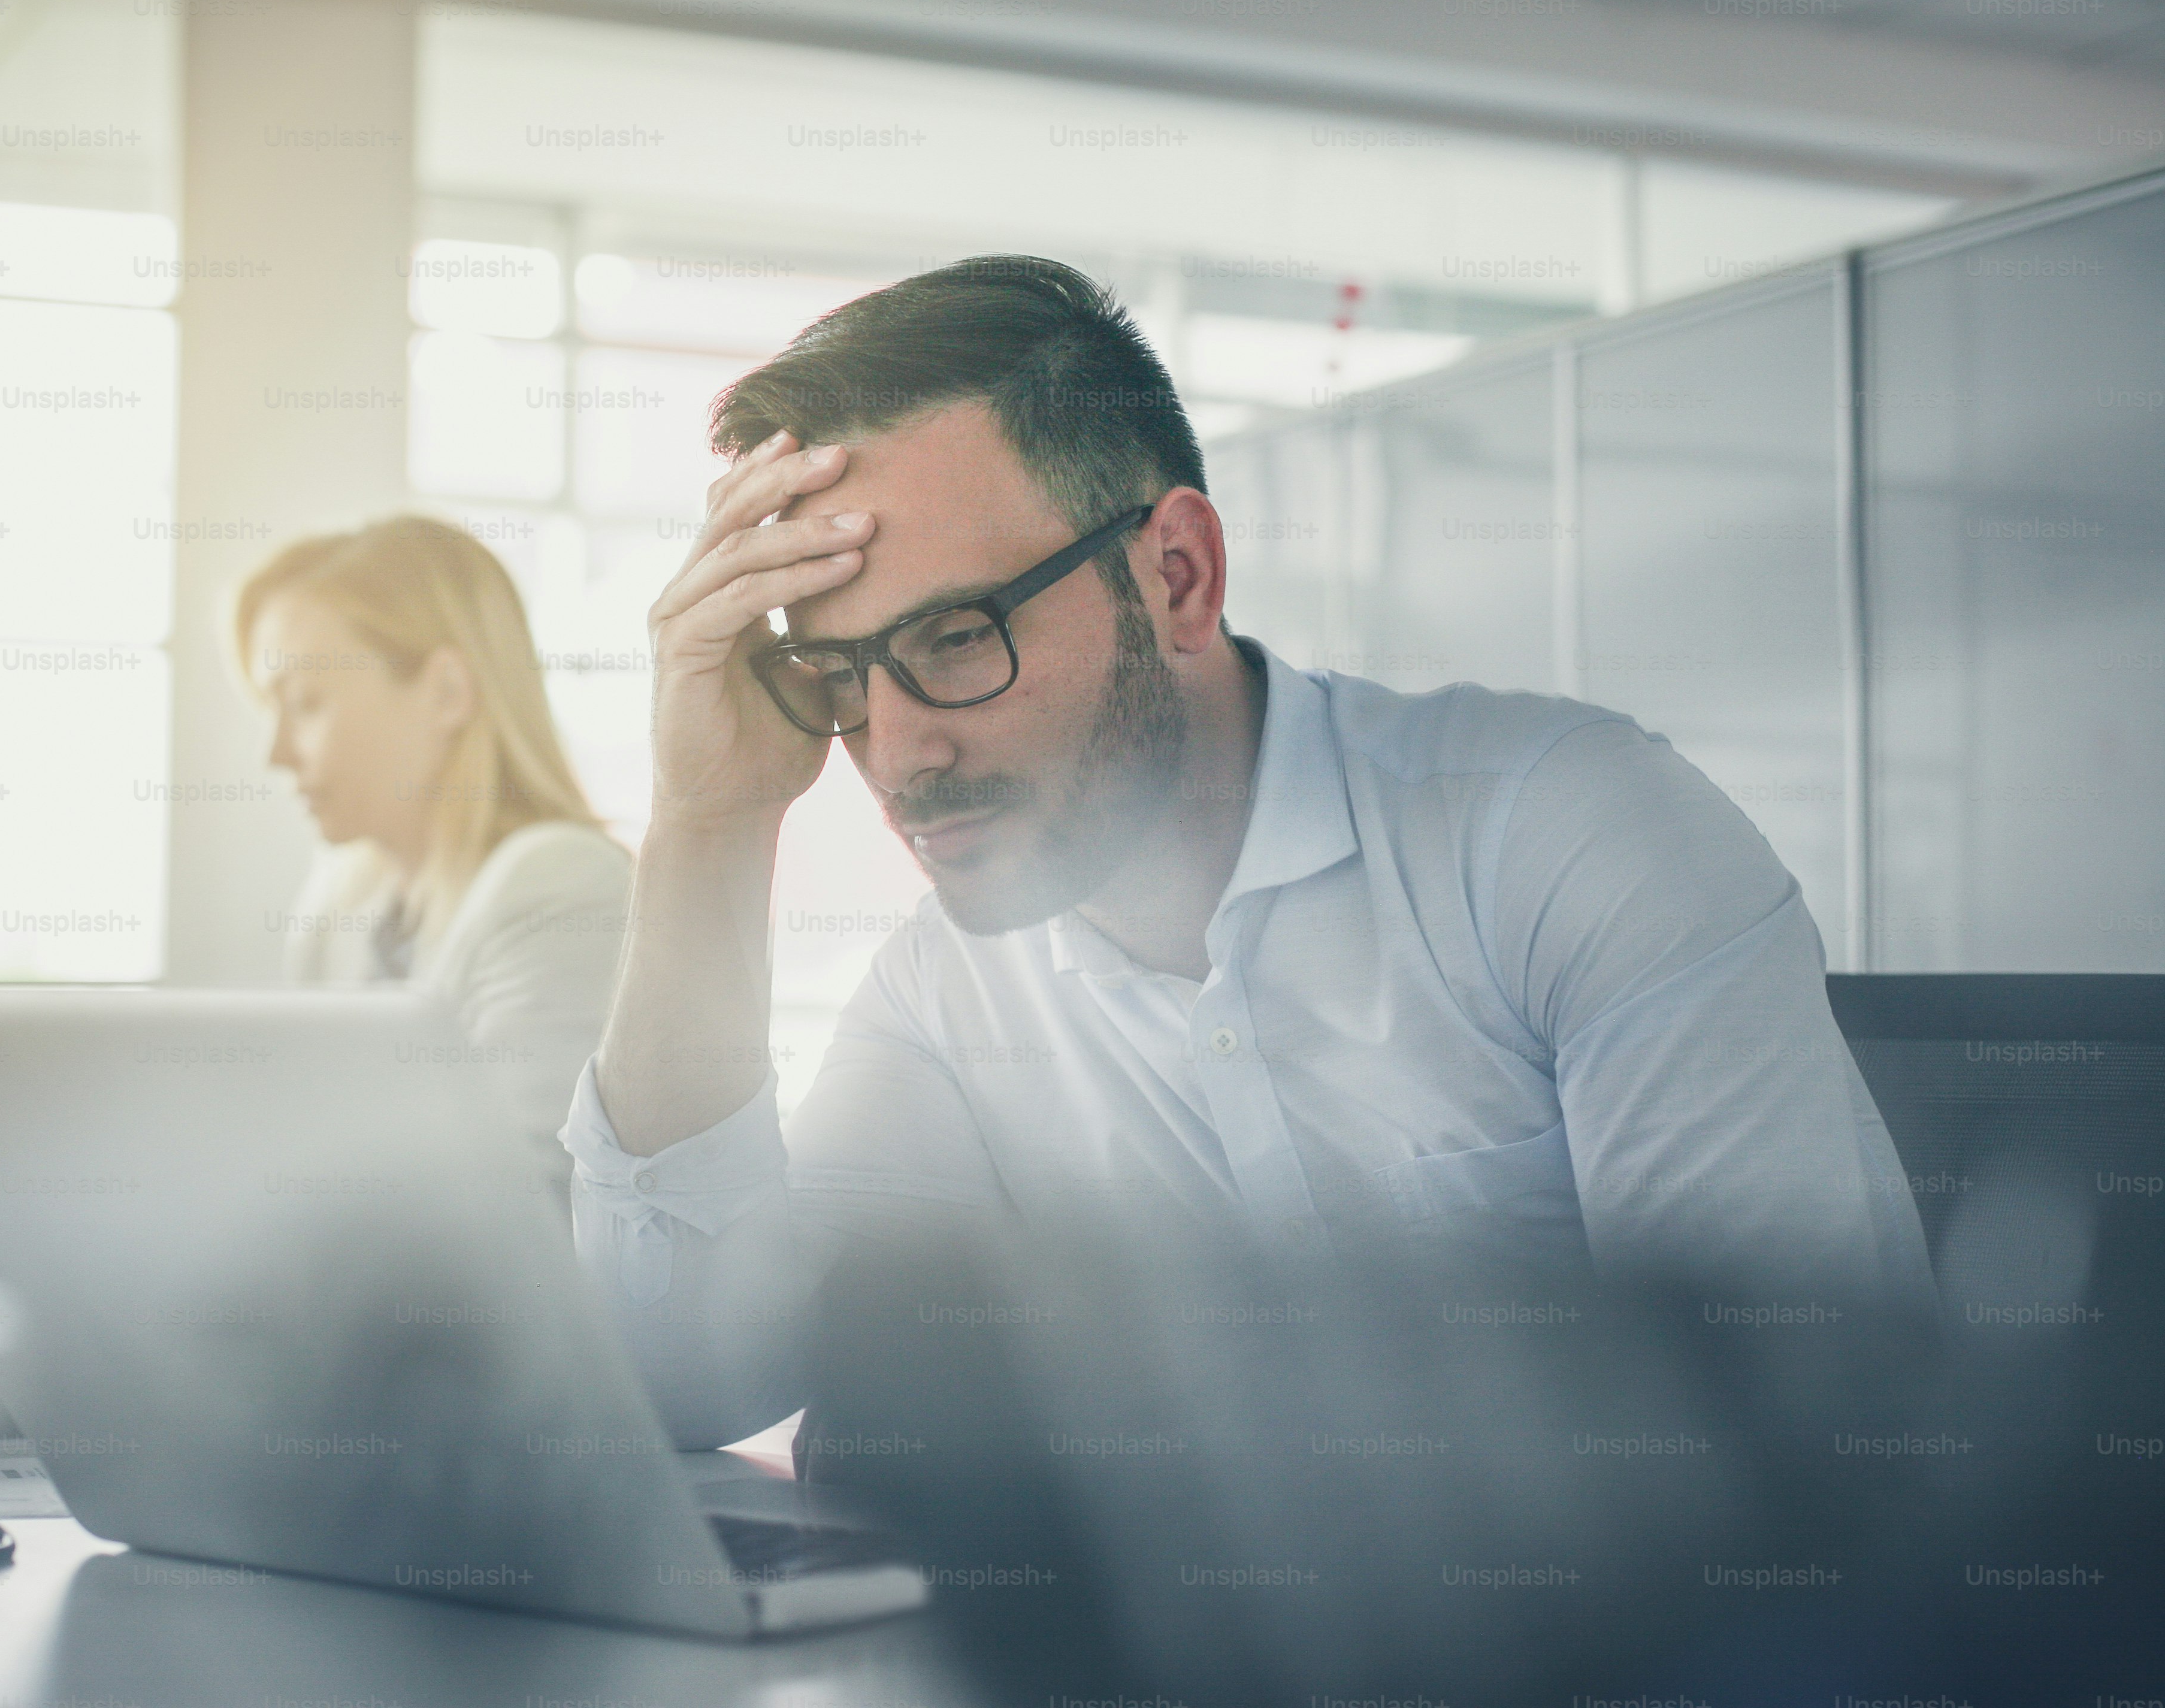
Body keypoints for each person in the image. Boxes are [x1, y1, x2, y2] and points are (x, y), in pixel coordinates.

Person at [558, 257, 1937, 1450]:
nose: (896, 749)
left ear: (1177, 578)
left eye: (958, 638)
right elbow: (693, 1383)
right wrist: (710, 821)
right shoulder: (944, 998)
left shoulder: (1570, 833)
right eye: (841, 674)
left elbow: (1816, 1429)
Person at [235, 516, 629, 1197]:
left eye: (305, 703)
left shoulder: (562, 883)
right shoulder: (341, 901)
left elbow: (524, 1203)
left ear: (446, 691)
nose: (275, 754)